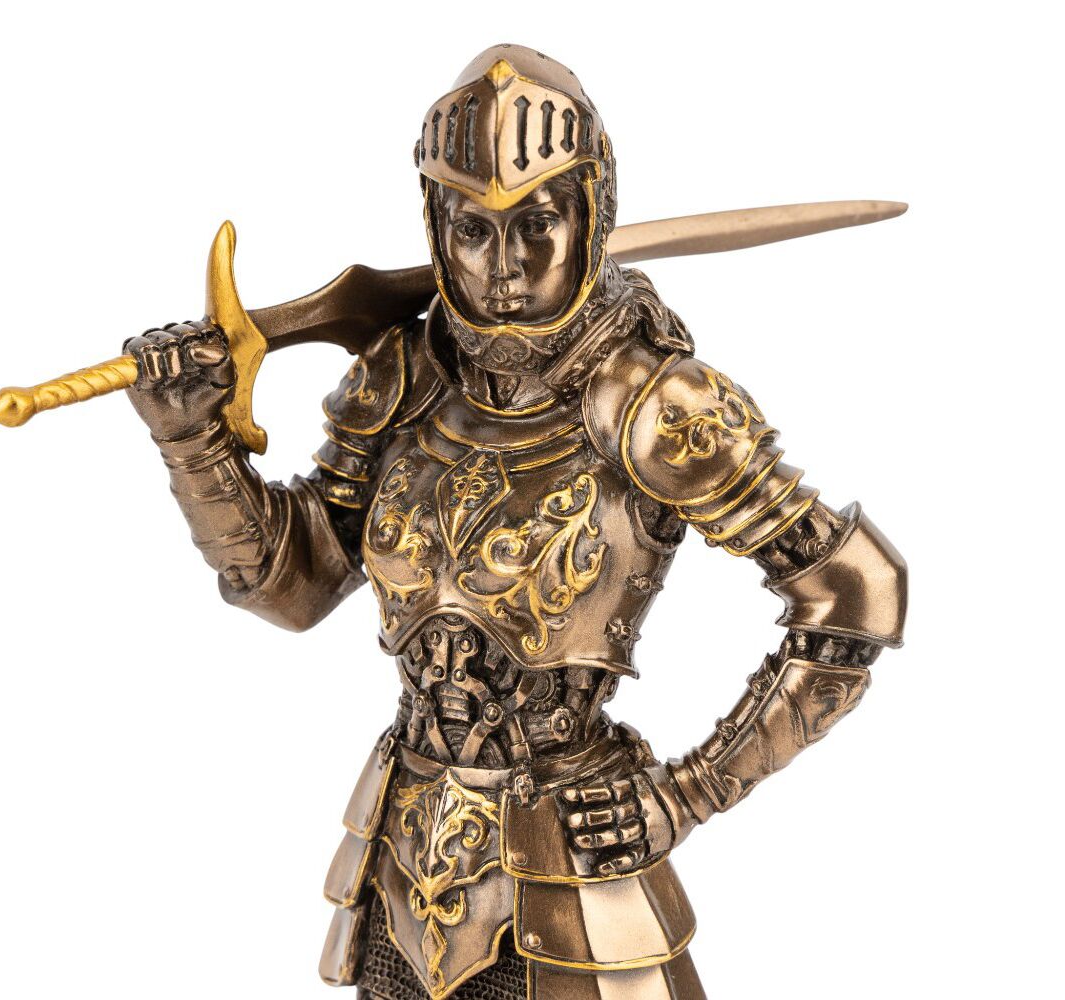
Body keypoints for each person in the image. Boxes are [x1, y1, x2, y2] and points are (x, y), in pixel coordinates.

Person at [122, 43, 907, 1000]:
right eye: (472, 229)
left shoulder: (652, 404)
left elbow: (857, 592)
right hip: (406, 839)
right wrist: (191, 440)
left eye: (537, 222)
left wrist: (689, 793)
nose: (506, 265)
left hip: (575, 848)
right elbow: (295, 588)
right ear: (435, 226)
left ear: (590, 215)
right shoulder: (401, 380)